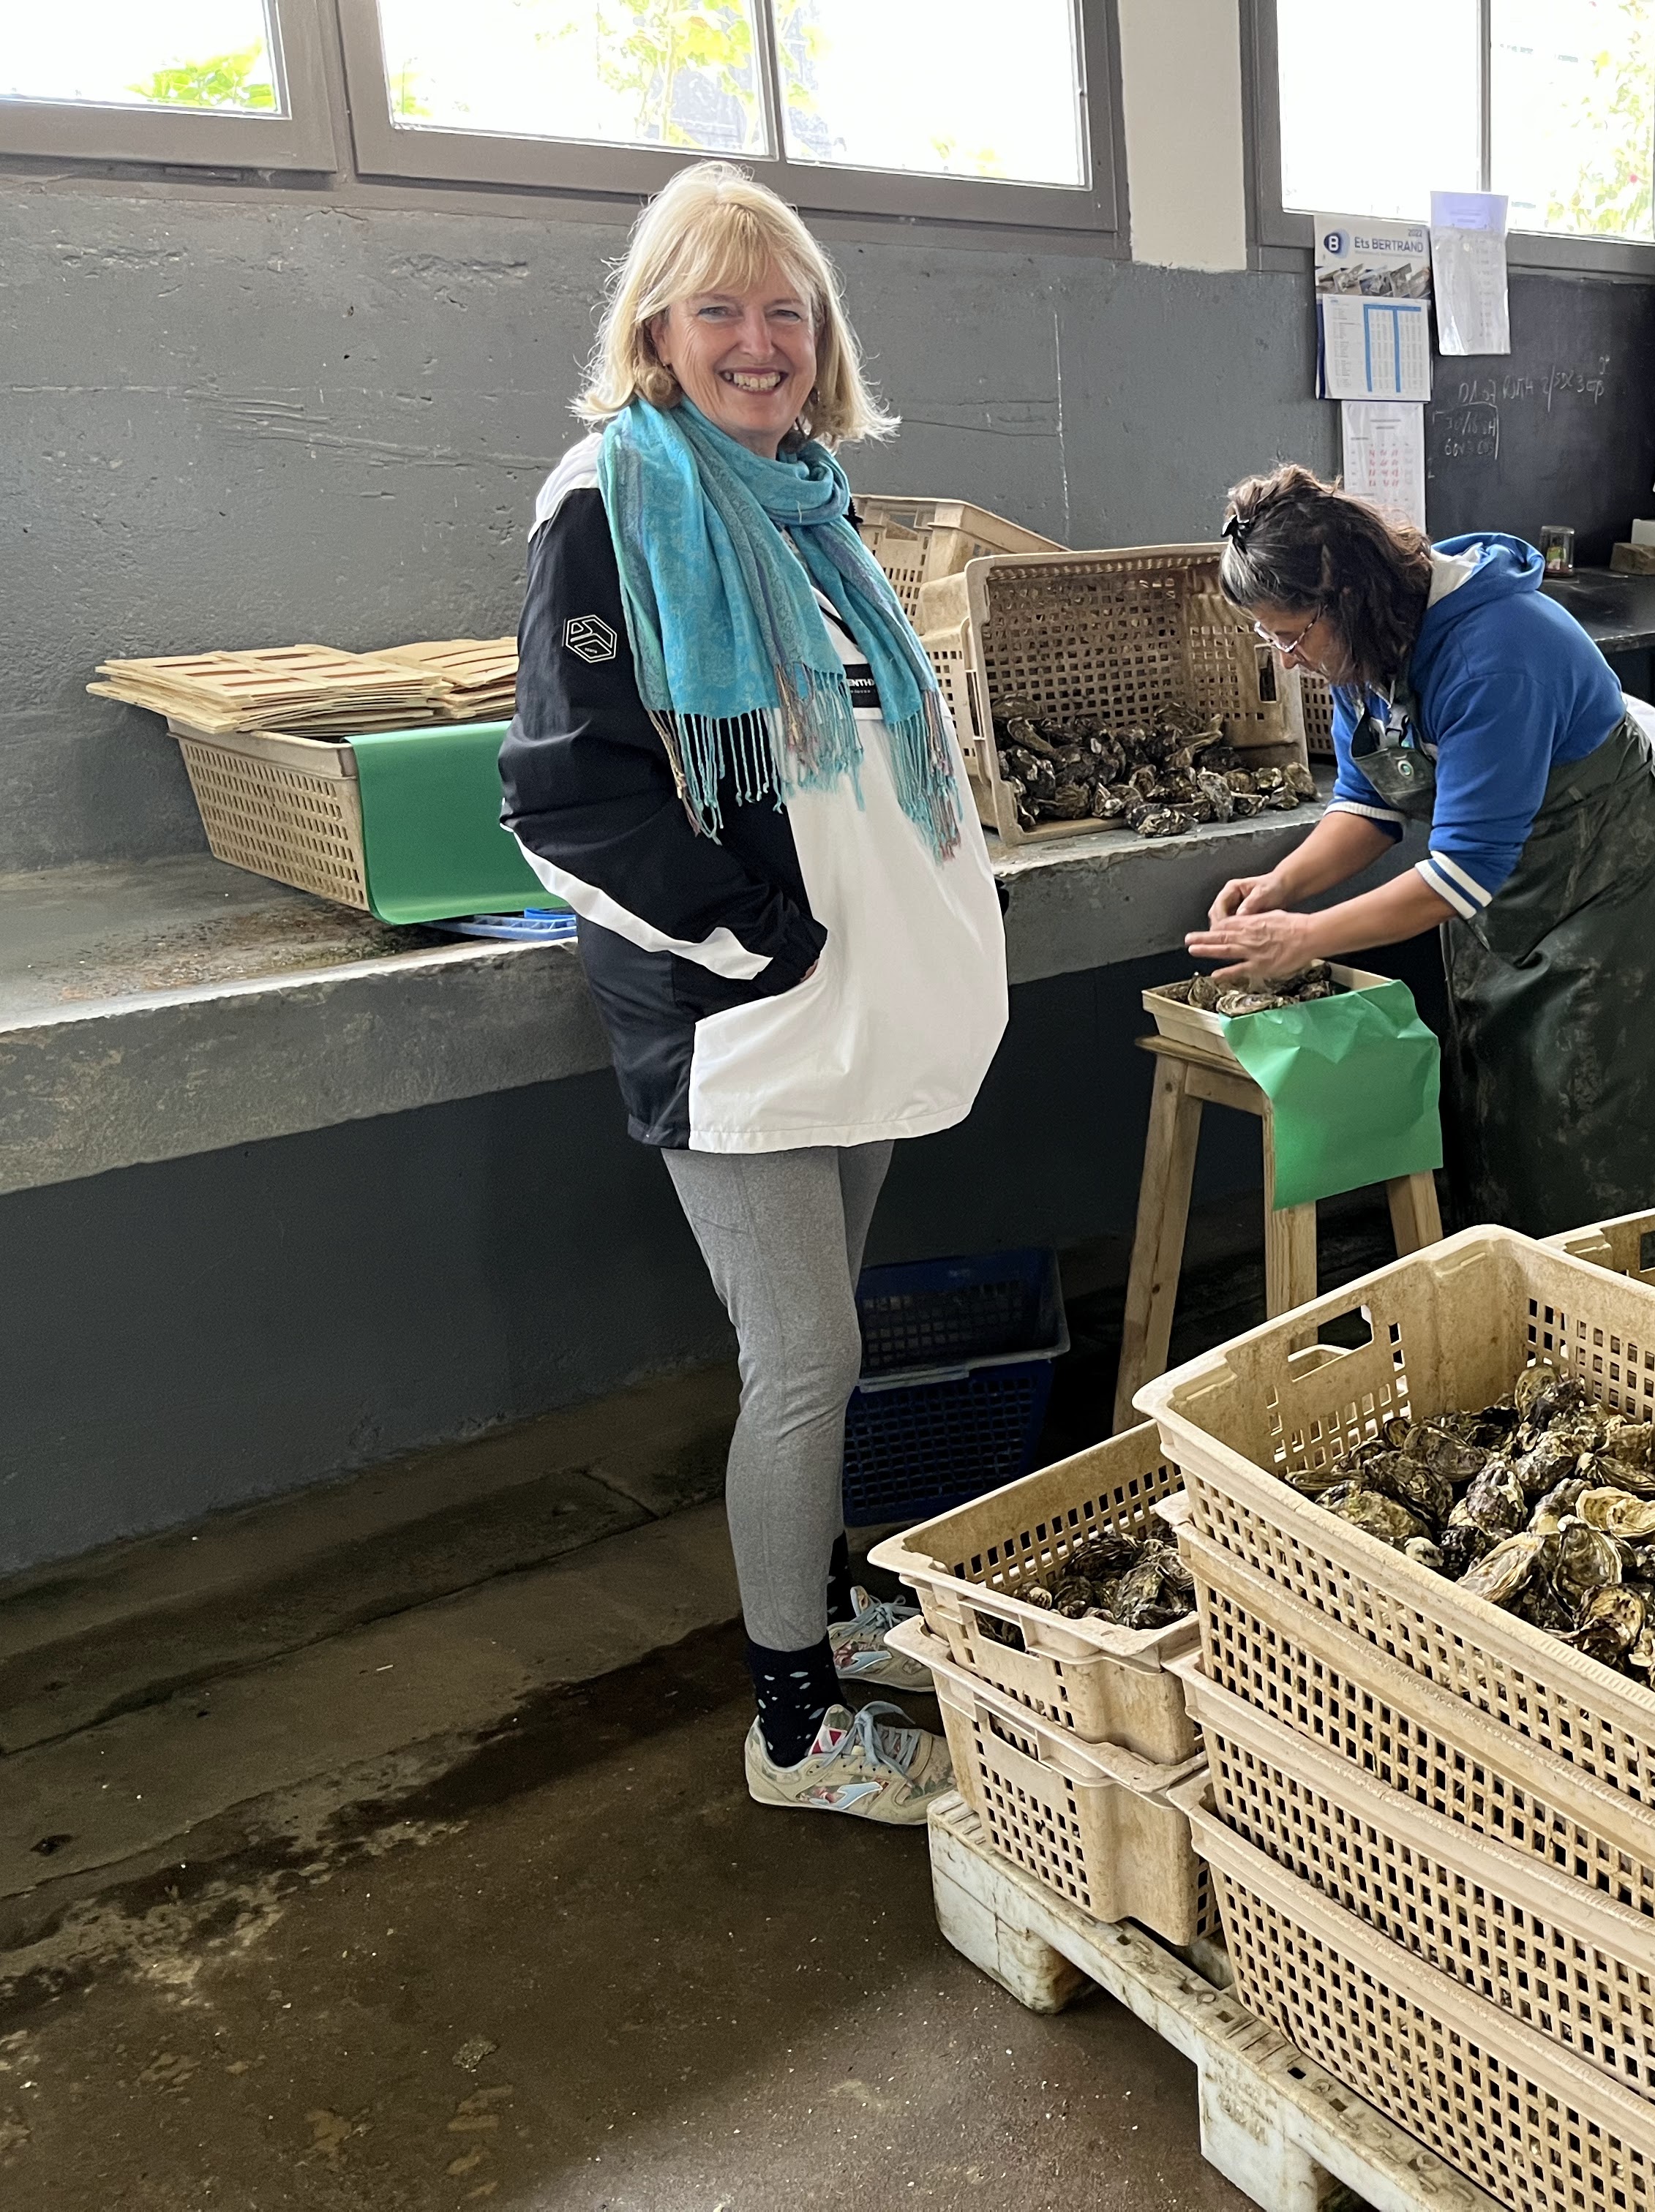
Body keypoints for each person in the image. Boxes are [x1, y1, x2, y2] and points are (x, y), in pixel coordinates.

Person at [498, 162, 1008, 1824]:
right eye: (717, 308)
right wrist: (754, 943)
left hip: (855, 1003)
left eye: (786, 311)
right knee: (801, 1360)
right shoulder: (610, 499)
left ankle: (825, 1609)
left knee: (826, 1355)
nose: (758, 341)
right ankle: (793, 1726)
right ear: (655, 329)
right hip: (744, 1016)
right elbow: (566, 800)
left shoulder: (811, 503)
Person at [1193, 470, 1655, 1235]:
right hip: (1500, 890)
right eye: (1271, 637)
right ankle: (1510, 1290)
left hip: (1610, 884)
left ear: (1348, 595)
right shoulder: (1363, 648)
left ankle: (1617, 1298)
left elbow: (1459, 875)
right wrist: (1282, 886)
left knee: (1591, 1117)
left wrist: (1304, 938)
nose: (1287, 658)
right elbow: (1368, 804)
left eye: (1291, 635)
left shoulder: (1496, 652)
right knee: (1501, 1105)